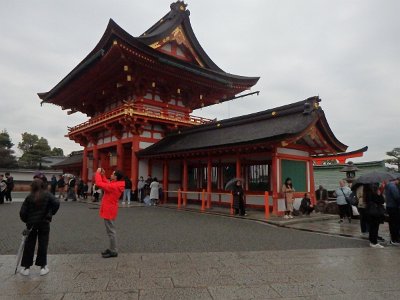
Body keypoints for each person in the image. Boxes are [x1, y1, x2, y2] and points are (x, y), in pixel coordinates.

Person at [19, 178, 60, 276]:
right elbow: (57, 203)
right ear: (43, 185)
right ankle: (43, 267)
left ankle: (26, 268)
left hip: (31, 224)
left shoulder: (29, 197)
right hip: (44, 223)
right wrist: (50, 213)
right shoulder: (47, 195)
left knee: (29, 245)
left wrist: (27, 220)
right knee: (43, 244)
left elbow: (22, 212)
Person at [95, 168, 125, 258]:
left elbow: (99, 184)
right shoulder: (116, 185)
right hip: (110, 209)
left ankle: (114, 250)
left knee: (111, 231)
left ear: (115, 177)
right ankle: (112, 248)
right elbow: (106, 183)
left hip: (109, 210)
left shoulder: (114, 186)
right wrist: (102, 175)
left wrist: (97, 173)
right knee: (110, 231)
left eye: (112, 174)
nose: (110, 175)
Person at [365, 183, 386, 248]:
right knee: (375, 227)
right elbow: (382, 201)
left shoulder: (367, 192)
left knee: (372, 227)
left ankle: (372, 241)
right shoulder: (375, 193)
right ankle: (374, 242)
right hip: (375, 213)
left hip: (370, 212)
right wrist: (379, 195)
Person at [384, 178, 400, 246]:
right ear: (396, 180)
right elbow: (397, 197)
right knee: (395, 223)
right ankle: (395, 239)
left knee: (392, 223)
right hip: (394, 207)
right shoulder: (393, 186)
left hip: (389, 206)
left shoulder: (387, 185)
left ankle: (393, 238)